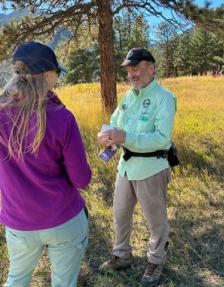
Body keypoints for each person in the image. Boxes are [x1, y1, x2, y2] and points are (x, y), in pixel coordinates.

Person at [0, 41, 91, 287]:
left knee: (16, 279)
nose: (57, 79)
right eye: (57, 73)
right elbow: (82, 179)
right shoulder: (62, 118)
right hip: (63, 219)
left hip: (18, 220)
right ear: (48, 74)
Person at [97, 48, 177, 286]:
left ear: (151, 68)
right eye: (128, 69)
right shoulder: (129, 96)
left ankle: (156, 259)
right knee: (120, 214)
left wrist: (124, 137)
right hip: (126, 166)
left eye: (136, 67)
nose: (131, 73)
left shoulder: (164, 98)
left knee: (156, 220)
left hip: (151, 168)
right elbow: (114, 121)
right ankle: (121, 255)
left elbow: (162, 138)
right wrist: (108, 134)